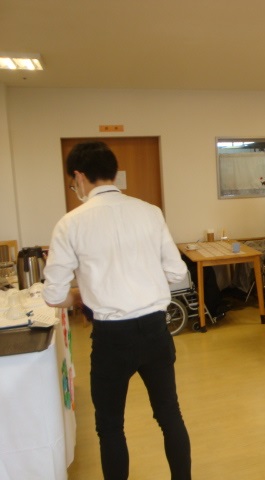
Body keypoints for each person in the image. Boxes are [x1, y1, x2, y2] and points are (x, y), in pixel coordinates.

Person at [42, 141, 191, 480]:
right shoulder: (150, 212)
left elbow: (53, 295)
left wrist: (80, 296)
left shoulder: (70, 223)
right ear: (112, 172)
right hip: (155, 330)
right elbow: (178, 273)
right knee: (170, 416)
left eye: (73, 182)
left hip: (112, 338)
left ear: (79, 177)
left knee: (110, 427)